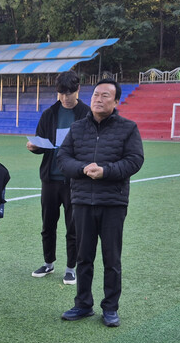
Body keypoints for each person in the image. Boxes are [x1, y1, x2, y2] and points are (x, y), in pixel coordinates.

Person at [56, 79, 144, 327]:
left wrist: (106, 171)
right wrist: (83, 168)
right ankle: (83, 304)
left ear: (116, 101)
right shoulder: (77, 128)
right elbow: (63, 158)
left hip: (113, 202)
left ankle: (110, 308)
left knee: (111, 259)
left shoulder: (128, 128)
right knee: (83, 257)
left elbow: (134, 160)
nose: (99, 99)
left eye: (106, 95)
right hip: (82, 200)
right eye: (96, 94)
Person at [26, 71, 89, 285]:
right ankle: (48, 263)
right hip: (50, 179)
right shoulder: (49, 114)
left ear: (77, 90)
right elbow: (41, 142)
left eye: (69, 93)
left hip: (74, 181)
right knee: (48, 225)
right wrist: (35, 146)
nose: (65, 98)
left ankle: (71, 268)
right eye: (61, 93)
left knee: (73, 227)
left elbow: (92, 144)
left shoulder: (86, 114)